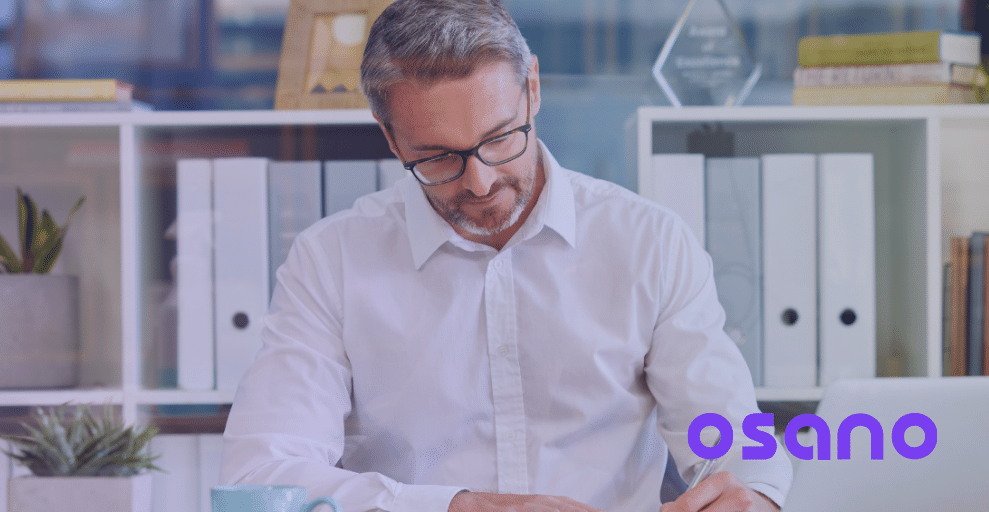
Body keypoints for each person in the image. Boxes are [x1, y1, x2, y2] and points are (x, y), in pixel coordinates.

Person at [219, 1, 793, 511]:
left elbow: (738, 445)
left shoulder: (649, 242)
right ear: (391, 138)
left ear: (533, 89)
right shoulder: (331, 261)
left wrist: (752, 494)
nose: (480, 181)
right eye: (438, 157)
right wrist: (461, 509)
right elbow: (259, 481)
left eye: (500, 138)